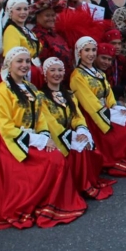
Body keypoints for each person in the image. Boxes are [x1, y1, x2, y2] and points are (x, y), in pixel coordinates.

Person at [0, 48, 86, 229]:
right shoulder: (2, 91)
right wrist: (38, 141)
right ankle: (37, 204)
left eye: (27, 62)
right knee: (54, 161)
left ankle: (46, 204)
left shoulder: (31, 88)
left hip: (32, 138)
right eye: (20, 61)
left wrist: (45, 137)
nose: (24, 65)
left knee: (57, 157)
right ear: (9, 64)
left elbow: (40, 119)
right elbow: (5, 127)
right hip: (11, 143)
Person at [70, 36, 126, 176]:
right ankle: (116, 158)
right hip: (93, 116)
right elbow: (88, 101)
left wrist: (116, 108)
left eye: (93, 50)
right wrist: (108, 115)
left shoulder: (98, 73)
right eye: (87, 50)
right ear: (79, 53)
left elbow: (109, 94)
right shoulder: (77, 76)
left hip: (106, 110)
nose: (91, 53)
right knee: (125, 126)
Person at [40, 57, 114, 201]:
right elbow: (50, 122)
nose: (57, 73)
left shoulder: (68, 94)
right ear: (45, 74)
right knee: (77, 149)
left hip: (69, 134)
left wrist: (81, 130)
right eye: (52, 70)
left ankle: (83, 184)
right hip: (55, 137)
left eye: (60, 70)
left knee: (85, 143)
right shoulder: (41, 97)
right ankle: (73, 187)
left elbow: (77, 116)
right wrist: (69, 137)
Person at [2, 0, 43, 87]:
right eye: (18, 9)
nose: (23, 12)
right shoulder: (11, 30)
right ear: (10, 12)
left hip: (34, 72)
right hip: (24, 74)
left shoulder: (27, 31)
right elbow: (12, 57)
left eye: (25, 9)